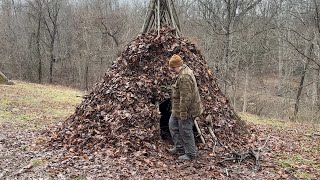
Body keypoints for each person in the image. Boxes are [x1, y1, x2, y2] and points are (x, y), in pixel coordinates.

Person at [167, 54, 203, 160]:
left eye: (173, 68)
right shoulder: (182, 71)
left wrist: (183, 114)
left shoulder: (185, 77)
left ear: (179, 66)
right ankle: (180, 148)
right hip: (179, 108)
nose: (171, 69)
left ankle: (191, 154)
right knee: (172, 125)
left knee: (185, 131)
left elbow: (186, 98)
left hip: (187, 110)